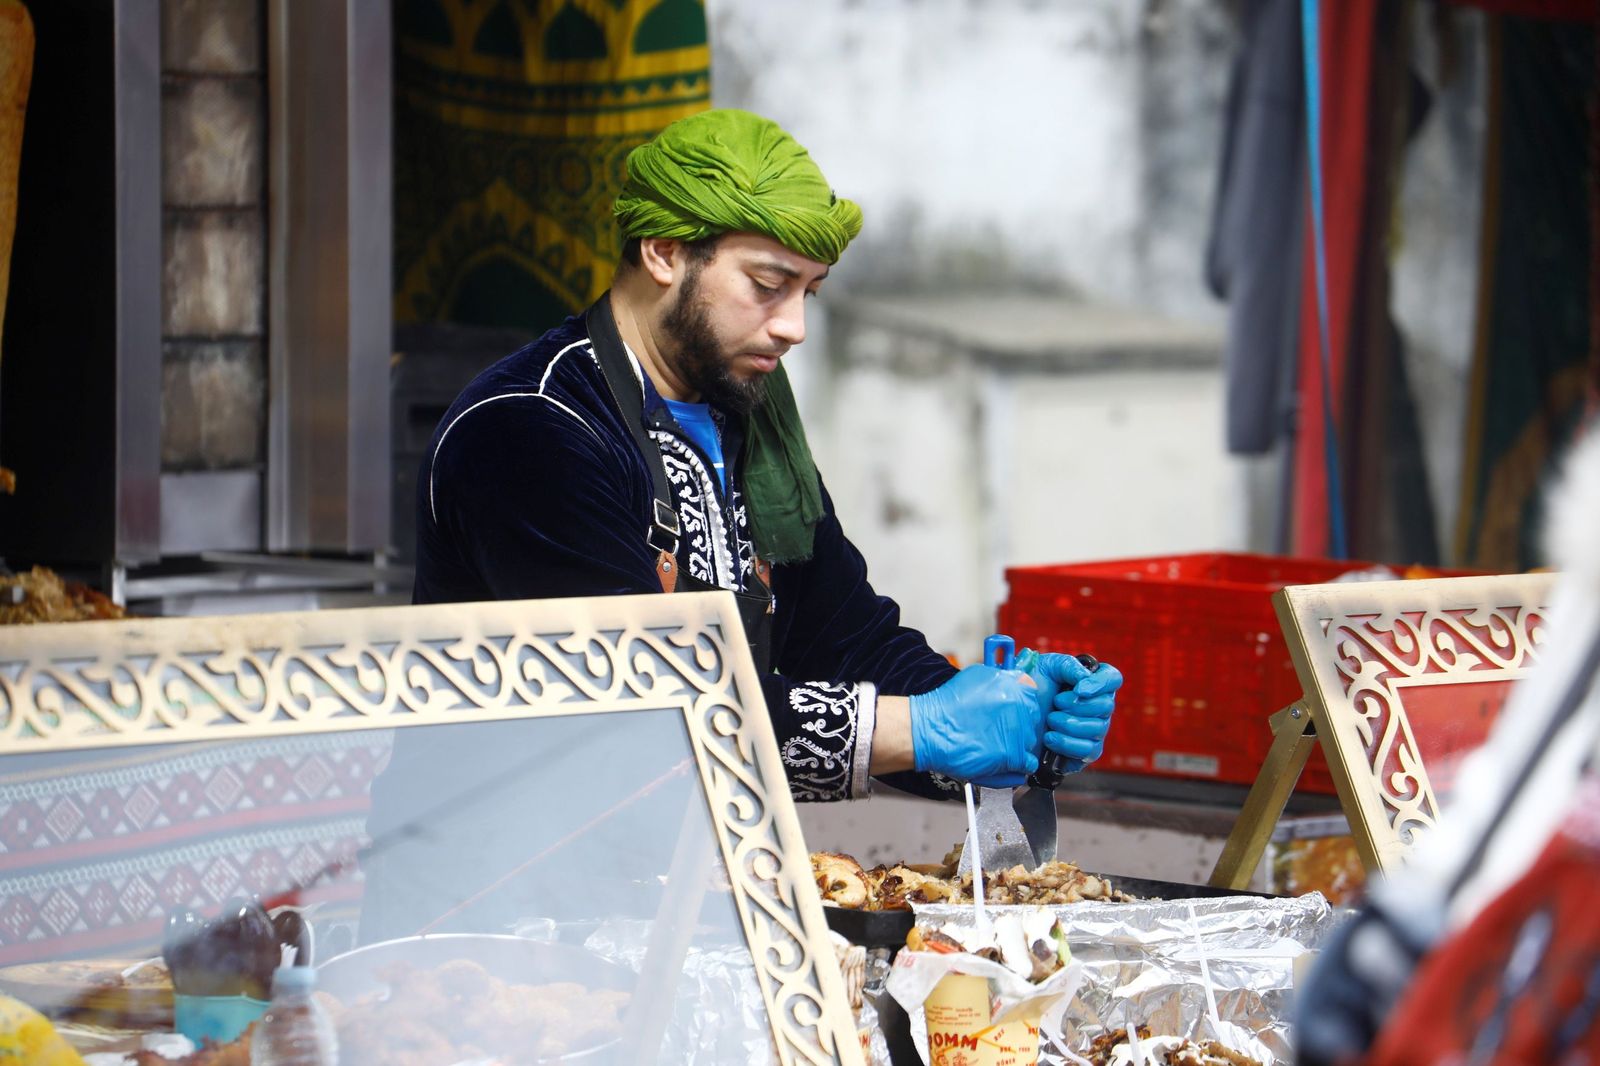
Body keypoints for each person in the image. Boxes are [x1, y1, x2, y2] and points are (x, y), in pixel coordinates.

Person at [410, 108, 1122, 804]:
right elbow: (641, 701)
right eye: (767, 284)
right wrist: (923, 728)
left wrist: (1003, 712)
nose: (794, 327)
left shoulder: (749, 420)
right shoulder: (529, 428)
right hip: (502, 870)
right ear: (663, 252)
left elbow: (844, 638)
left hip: (699, 868)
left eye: (809, 290)